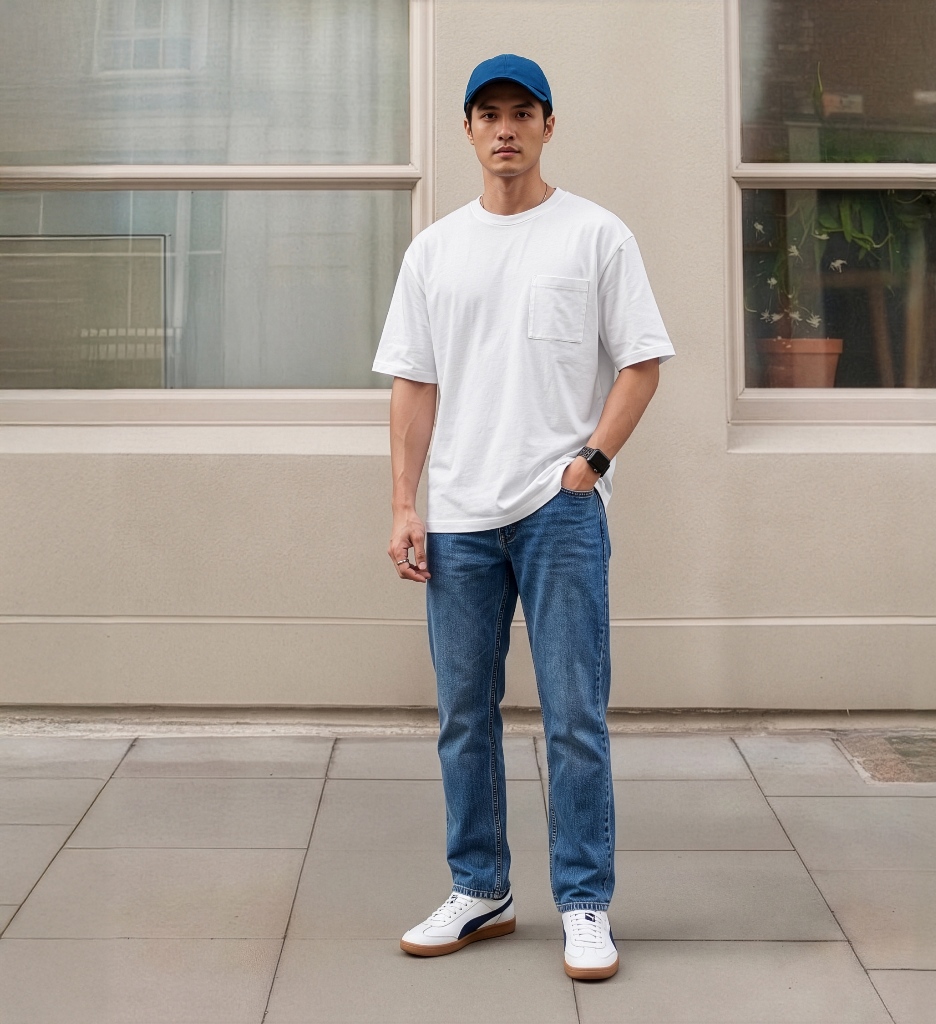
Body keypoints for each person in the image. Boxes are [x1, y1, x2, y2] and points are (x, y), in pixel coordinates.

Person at [372, 53, 675, 980]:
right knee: (463, 715)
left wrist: (591, 465)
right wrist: (404, 504)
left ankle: (584, 903)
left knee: (574, 715)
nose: (505, 129)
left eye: (521, 113)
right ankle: (481, 890)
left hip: (559, 512)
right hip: (459, 515)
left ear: (548, 125)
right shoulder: (436, 250)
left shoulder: (595, 235)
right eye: (488, 114)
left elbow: (642, 362)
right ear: (468, 130)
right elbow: (413, 384)